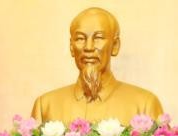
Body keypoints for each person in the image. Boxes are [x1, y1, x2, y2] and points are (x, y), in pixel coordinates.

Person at [31, 7, 163, 125]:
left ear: (115, 45)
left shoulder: (145, 105)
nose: (88, 47)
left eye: (98, 38)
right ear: (71, 47)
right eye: (80, 39)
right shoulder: (46, 106)